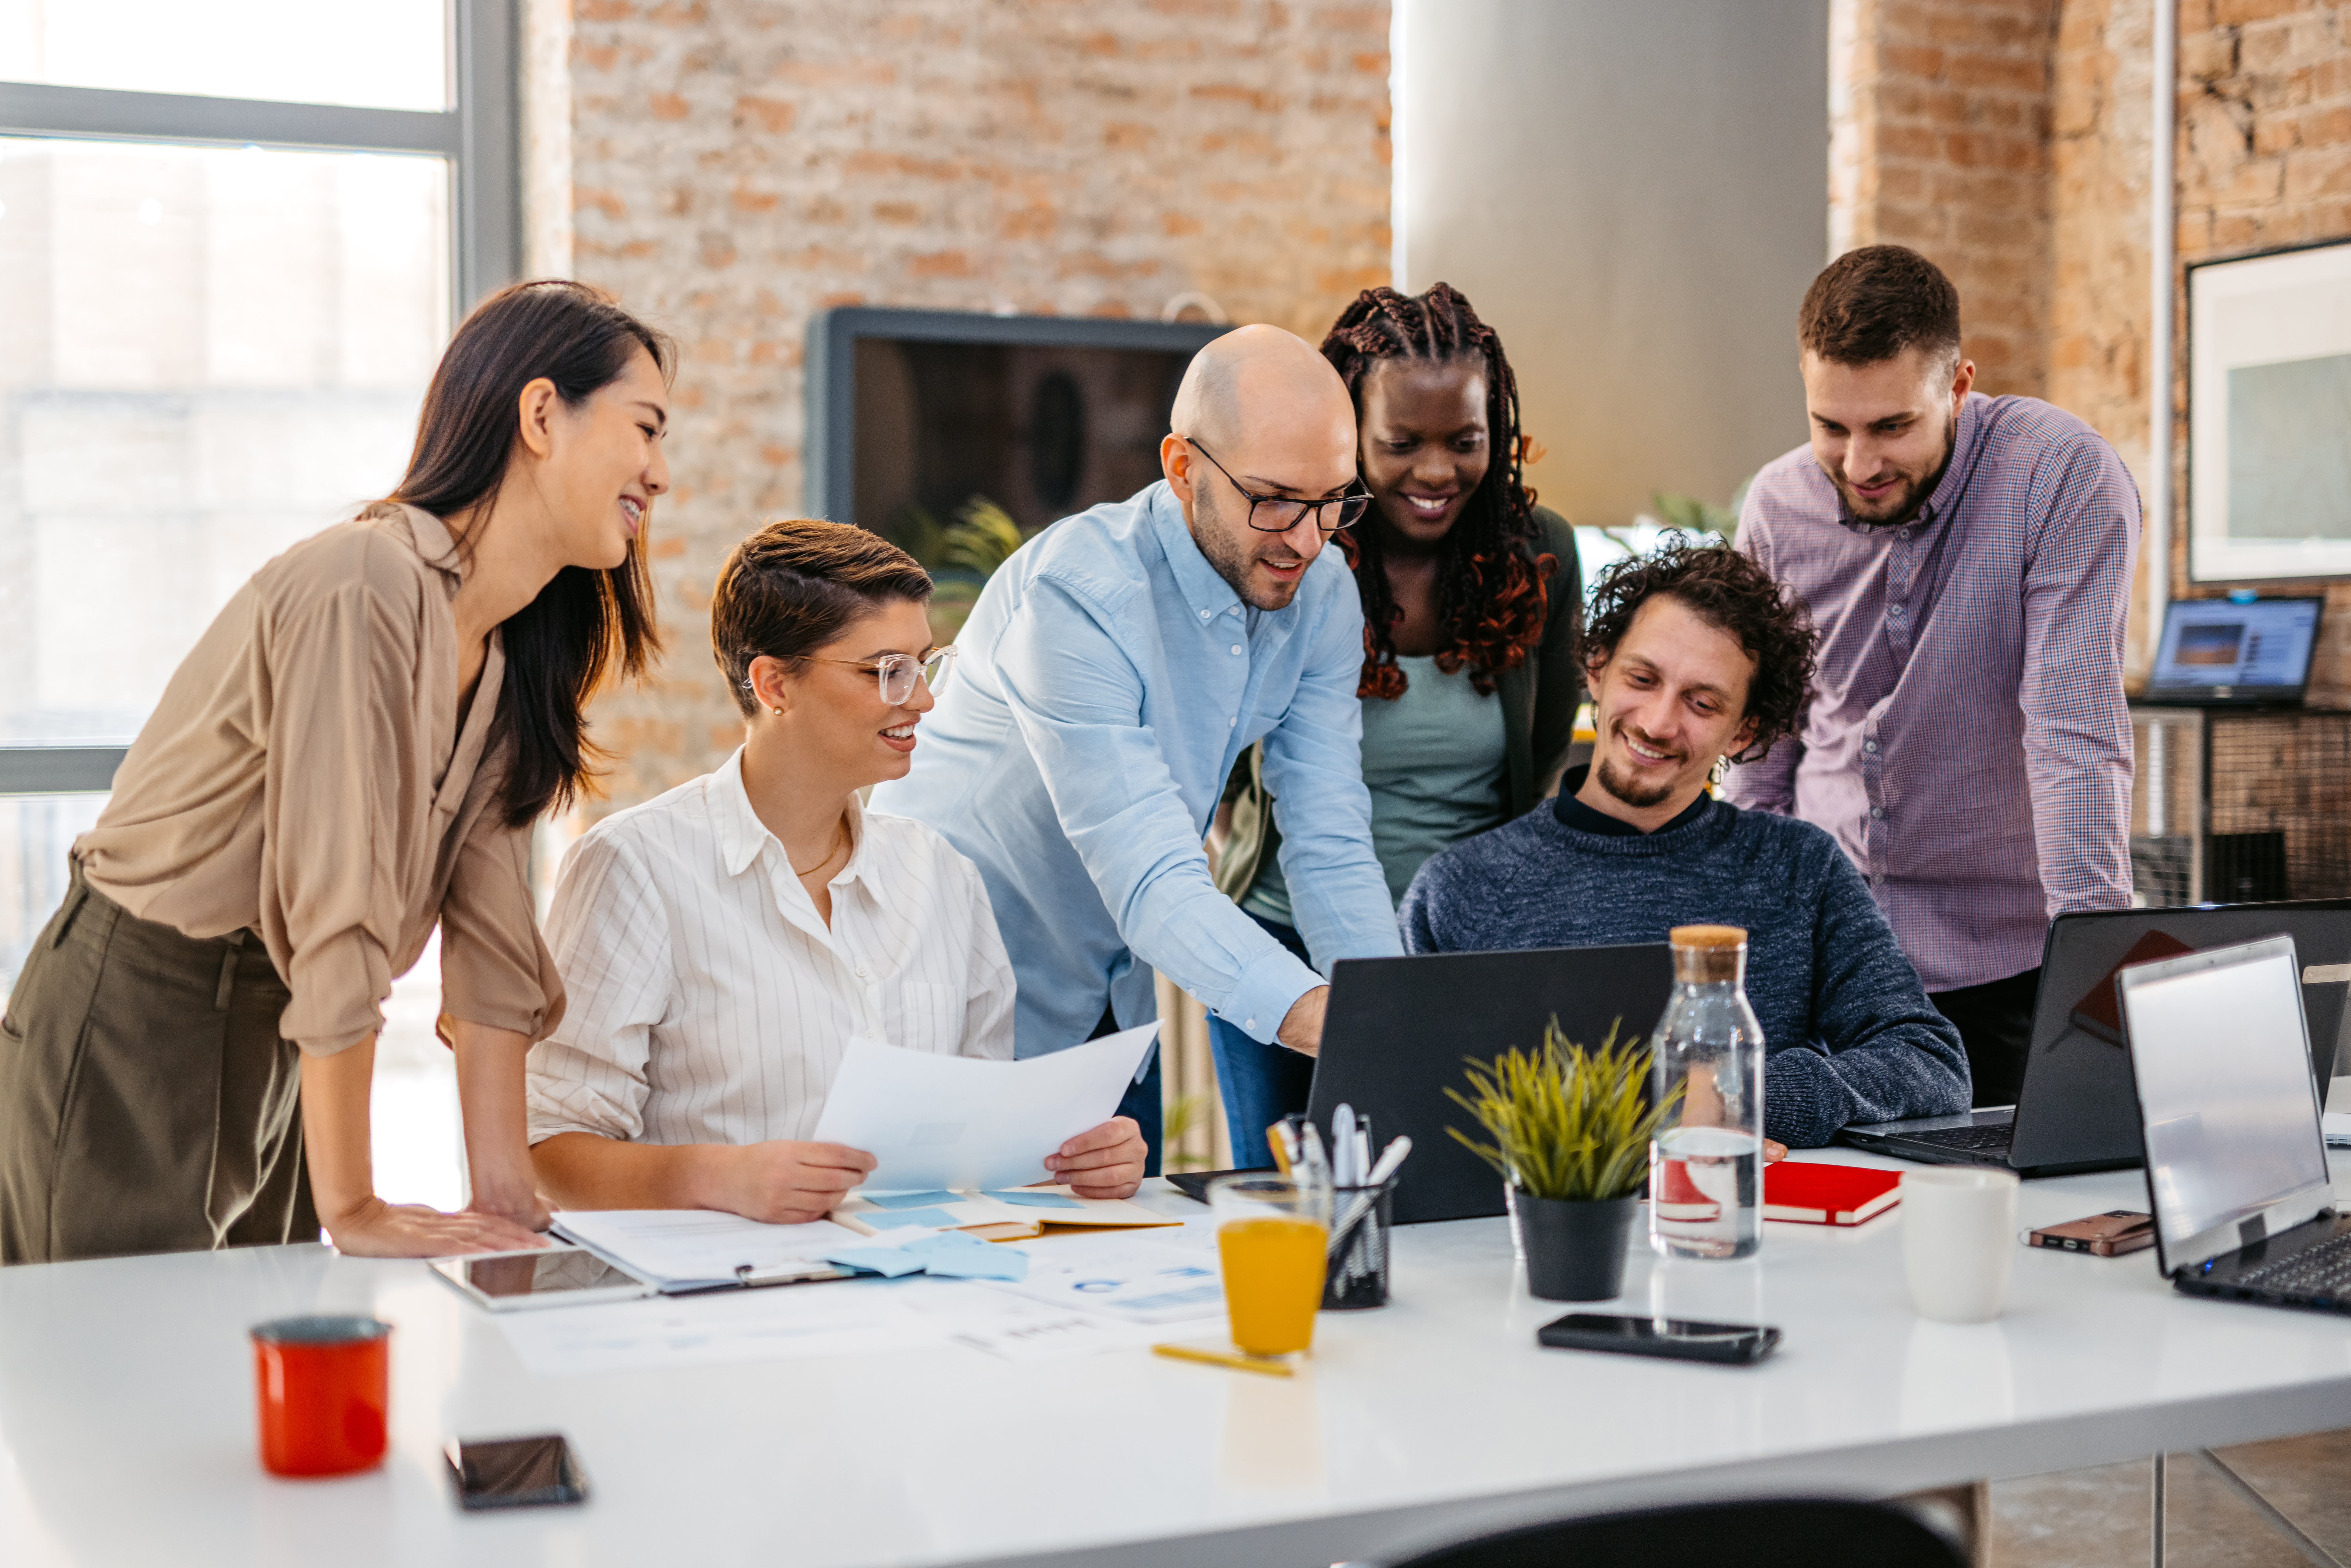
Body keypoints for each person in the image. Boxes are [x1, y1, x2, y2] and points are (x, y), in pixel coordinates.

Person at [0, 280, 671, 1263]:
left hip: (278, 1021)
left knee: (249, 1374)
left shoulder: (508, 650)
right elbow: (338, 898)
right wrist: (351, 1202)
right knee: (116, 1377)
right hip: (137, 1014)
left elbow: (489, 938)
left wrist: (503, 1192)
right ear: (540, 414)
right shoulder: (364, 583)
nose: (660, 473)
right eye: (645, 428)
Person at [871, 325, 1404, 1174]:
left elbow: (1331, 842)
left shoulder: (1324, 594)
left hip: (1110, 1009)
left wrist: (1393, 1021)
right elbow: (1153, 879)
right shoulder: (1075, 598)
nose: (1307, 538)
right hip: (953, 994)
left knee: (1116, 1286)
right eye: (1273, 499)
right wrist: (1329, 1019)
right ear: (1182, 467)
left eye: (1335, 499)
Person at [527, 520, 1146, 1217]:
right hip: (717, 1299)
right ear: (774, 685)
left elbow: (972, 1151)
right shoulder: (634, 867)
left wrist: (1071, 1159)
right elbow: (549, 1147)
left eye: (923, 663)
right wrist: (719, 1178)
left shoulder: (941, 875)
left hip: (915, 1292)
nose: (923, 698)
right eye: (885, 671)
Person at [1722, 245, 2140, 1107]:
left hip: (2003, 967)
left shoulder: (2057, 477)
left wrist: (2095, 972)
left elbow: (2072, 731)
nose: (1859, 463)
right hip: (1827, 959)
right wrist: (1754, 944)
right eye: (1830, 426)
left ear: (1958, 387)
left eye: (1891, 427)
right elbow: (1761, 757)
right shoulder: (1777, 507)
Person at [1402, 539, 1970, 1149]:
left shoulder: (1798, 867)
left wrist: (1738, 1098)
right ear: (1596, 669)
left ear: (1744, 728)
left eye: (1702, 703)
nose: (1656, 722)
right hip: (1532, 1234)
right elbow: (1411, 1105)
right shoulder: (1458, 888)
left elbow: (1930, 1063)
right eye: (1641, 679)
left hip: (1758, 1231)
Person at [1208, 283, 1580, 1159]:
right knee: (1288, 1206)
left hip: (1462, 953)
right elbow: (1218, 755)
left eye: (1465, 440)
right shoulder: (1289, 549)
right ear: (1350, 434)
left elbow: (1544, 769)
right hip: (1281, 940)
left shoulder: (1542, 556)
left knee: (1443, 1204)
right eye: (1400, 444)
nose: (1436, 471)